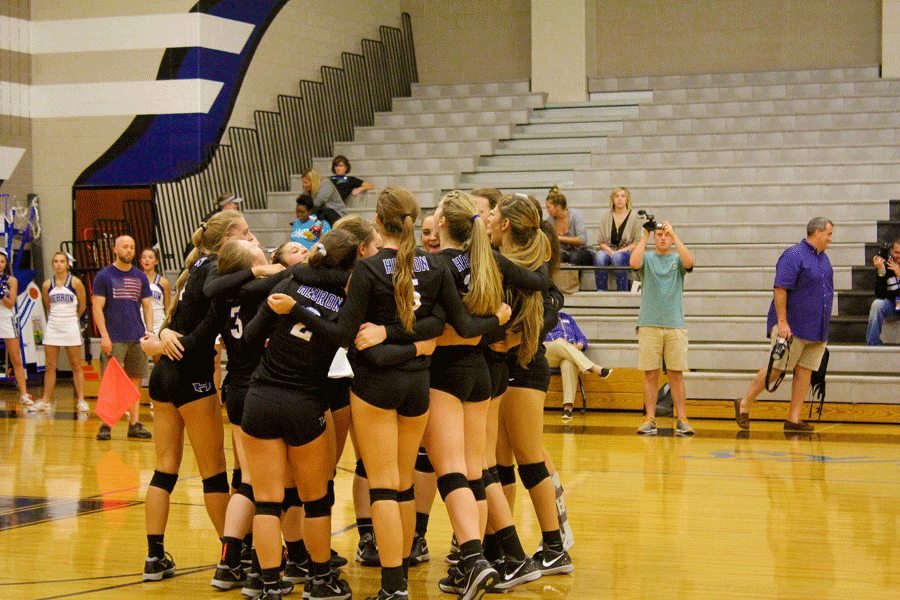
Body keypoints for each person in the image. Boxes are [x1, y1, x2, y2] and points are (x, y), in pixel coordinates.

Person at [287, 187, 509, 600]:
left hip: (375, 385)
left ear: (377, 221)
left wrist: (296, 310)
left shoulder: (370, 270)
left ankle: (394, 587)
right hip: (419, 385)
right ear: (413, 219)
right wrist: (495, 319)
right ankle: (432, 569)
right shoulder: (435, 267)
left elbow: (341, 333)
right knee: (405, 484)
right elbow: (449, 323)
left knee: (385, 487)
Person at [139, 210, 278, 582]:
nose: (251, 239)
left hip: (163, 376)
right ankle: (231, 556)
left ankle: (154, 557)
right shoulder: (217, 270)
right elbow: (203, 328)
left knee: (164, 469)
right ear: (225, 242)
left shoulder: (194, 267)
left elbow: (179, 318)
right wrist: (173, 340)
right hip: (190, 375)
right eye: (245, 233)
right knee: (213, 474)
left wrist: (164, 336)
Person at [735, 218, 834, 433]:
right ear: (817, 233)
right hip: (793, 325)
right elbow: (780, 288)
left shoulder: (824, 259)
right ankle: (744, 403)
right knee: (777, 369)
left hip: (816, 329)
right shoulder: (793, 255)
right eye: (828, 234)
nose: (830, 239)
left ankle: (793, 419)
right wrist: (782, 322)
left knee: (805, 372)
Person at [630, 220, 695, 436]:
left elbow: (690, 262)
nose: (663, 238)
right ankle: (650, 418)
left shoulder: (677, 259)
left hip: (675, 324)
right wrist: (646, 234)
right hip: (649, 323)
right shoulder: (647, 258)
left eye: (666, 234)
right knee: (651, 374)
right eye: (659, 234)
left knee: (676, 374)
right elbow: (633, 262)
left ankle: (682, 418)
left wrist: (674, 234)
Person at [92, 235, 154, 440]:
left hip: (137, 337)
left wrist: (150, 331)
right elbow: (97, 308)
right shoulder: (104, 276)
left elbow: (147, 306)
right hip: (114, 338)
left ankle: (134, 425)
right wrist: (104, 336)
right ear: (115, 250)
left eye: (132, 247)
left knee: (135, 381)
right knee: (112, 383)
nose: (129, 250)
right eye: (124, 247)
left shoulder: (140, 276)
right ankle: (106, 424)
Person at [31, 252, 88, 412]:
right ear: (53, 264)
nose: (59, 264)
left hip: (71, 326)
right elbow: (48, 305)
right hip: (53, 326)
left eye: (62, 261)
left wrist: (71, 319)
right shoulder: (47, 284)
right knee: (50, 365)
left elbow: (82, 306)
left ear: (67, 264)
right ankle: (45, 401)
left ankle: (81, 400)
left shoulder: (76, 283)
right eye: (56, 261)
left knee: (76, 365)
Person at [544, 311, 611, 420]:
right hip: (546, 354)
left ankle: (568, 408)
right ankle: (592, 367)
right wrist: (555, 343)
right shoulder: (537, 317)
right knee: (560, 343)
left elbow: (582, 339)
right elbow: (533, 343)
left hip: (567, 353)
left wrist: (577, 346)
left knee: (568, 363)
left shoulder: (565, 318)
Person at [593, 187, 643, 291]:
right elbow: (601, 242)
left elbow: (638, 243)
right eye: (616, 196)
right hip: (609, 250)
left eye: (623, 196)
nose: (619, 199)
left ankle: (622, 291)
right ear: (612, 200)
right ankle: (601, 291)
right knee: (599, 256)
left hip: (628, 252)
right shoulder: (605, 217)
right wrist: (610, 251)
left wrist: (620, 251)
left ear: (627, 200)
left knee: (618, 257)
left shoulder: (635, 217)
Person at [0, 250, 33, 406]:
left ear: (6, 264)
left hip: (6, 318)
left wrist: (1, 294)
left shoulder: (11, 280)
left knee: (16, 358)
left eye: (2, 261)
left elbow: (10, 303)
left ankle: (24, 394)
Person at [544, 187, 592, 266]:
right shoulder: (550, 220)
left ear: (558, 207)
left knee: (574, 257)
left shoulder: (575, 216)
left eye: (549, 207)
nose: (547, 210)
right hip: (564, 252)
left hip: (582, 251)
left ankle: (574, 278)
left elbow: (582, 240)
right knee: (555, 257)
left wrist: (559, 238)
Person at [866, 239, 900, 345]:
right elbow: (880, 295)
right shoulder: (886, 264)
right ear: (891, 251)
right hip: (894, 306)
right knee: (877, 304)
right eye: (896, 252)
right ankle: (873, 345)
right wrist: (881, 271)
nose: (899, 256)